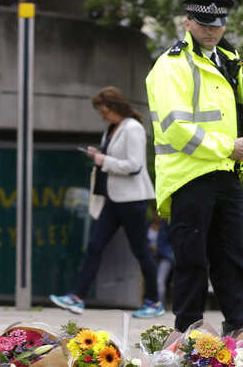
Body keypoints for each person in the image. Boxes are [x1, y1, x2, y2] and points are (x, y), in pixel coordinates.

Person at [146, 0, 243, 332]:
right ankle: (187, 335)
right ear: (187, 23)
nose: (212, 31)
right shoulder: (172, 65)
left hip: (226, 175)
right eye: (203, 24)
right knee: (191, 261)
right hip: (190, 177)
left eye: (218, 24)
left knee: (235, 260)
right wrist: (229, 147)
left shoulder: (230, 61)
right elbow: (175, 128)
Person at [50, 86, 162, 317]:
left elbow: (134, 166)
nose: (102, 115)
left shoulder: (133, 128)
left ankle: (153, 302)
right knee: (94, 246)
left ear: (115, 106)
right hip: (113, 198)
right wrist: (98, 155)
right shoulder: (112, 128)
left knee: (140, 250)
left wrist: (103, 160)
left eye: (104, 111)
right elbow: (114, 158)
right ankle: (77, 297)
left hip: (131, 199)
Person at [146, 208, 174, 306]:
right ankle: (150, 303)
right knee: (150, 280)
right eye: (156, 213)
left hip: (165, 256)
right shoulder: (147, 225)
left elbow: (172, 242)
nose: (158, 216)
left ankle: (160, 305)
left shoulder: (166, 226)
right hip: (151, 256)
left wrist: (160, 248)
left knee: (160, 280)